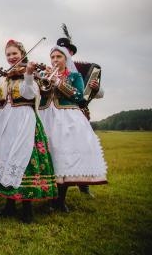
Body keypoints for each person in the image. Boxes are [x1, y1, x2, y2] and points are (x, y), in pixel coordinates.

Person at [0, 39, 57, 223]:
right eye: (8, 54)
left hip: (24, 120)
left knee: (24, 160)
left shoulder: (30, 75)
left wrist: (29, 74)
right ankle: (8, 205)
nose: (11, 57)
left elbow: (29, 94)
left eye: (14, 53)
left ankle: (27, 208)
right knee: (4, 157)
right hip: (3, 121)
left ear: (22, 54)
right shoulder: (3, 78)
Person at [38, 45, 107, 212]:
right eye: (52, 57)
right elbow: (39, 94)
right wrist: (41, 79)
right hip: (46, 115)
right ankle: (49, 198)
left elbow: (79, 97)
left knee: (64, 157)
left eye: (58, 57)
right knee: (48, 156)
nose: (55, 60)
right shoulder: (44, 74)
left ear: (65, 59)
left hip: (67, 118)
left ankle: (60, 200)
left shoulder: (75, 75)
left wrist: (59, 83)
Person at [57, 34, 104, 197]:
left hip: (80, 111)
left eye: (67, 50)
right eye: (62, 50)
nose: (65, 53)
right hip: (58, 112)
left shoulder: (81, 70)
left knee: (81, 147)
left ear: (71, 52)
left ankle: (84, 184)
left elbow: (98, 94)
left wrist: (95, 88)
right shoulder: (54, 65)